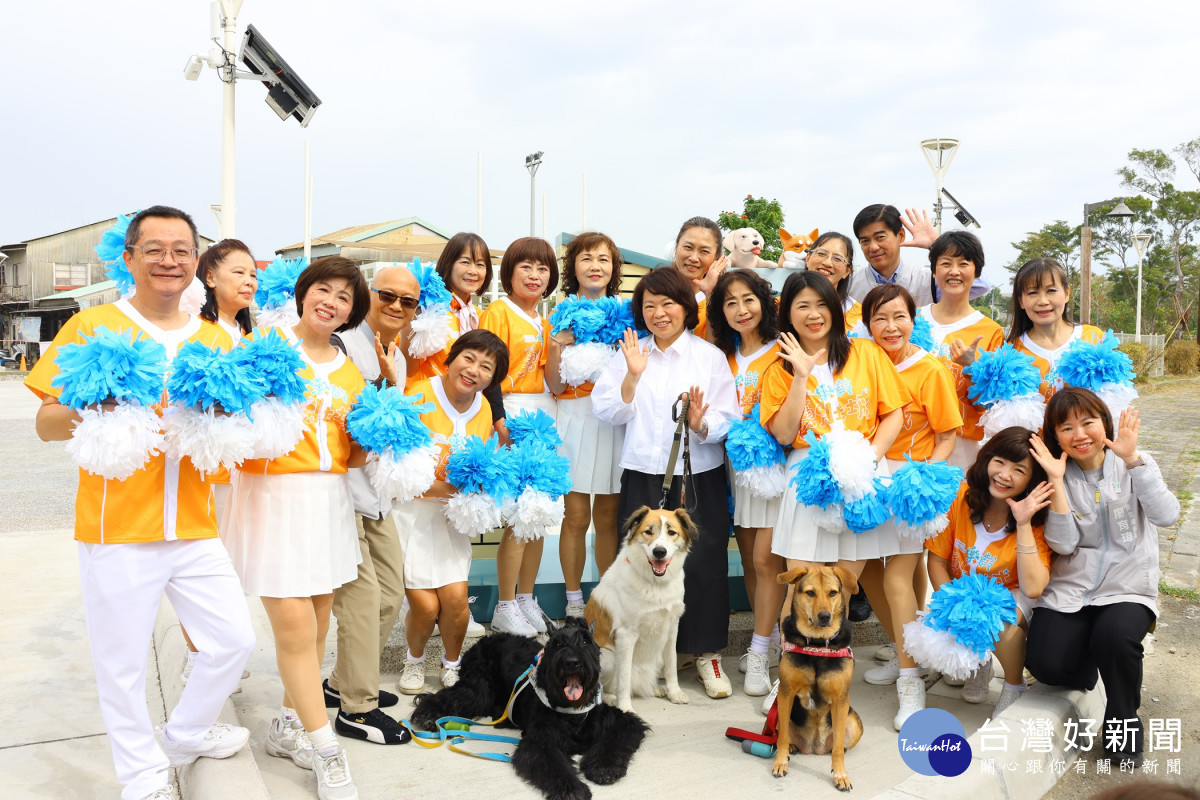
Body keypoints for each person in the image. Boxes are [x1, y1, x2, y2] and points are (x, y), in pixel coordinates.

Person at [26, 205, 255, 800]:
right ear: (128, 258)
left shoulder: (214, 338)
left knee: (233, 640)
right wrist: (98, 410)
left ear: (197, 265)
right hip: (118, 528)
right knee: (121, 666)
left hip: (196, 525)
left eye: (181, 249)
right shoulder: (93, 326)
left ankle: (182, 734)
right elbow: (47, 423)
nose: (168, 260)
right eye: (154, 248)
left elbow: (233, 426)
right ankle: (143, 777)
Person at [222, 256, 371, 800]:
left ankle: (288, 726)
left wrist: (382, 442)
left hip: (328, 502)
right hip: (272, 498)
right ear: (304, 292)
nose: (330, 302)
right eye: (323, 290)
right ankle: (327, 749)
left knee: (319, 622)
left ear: (352, 313)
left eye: (344, 298)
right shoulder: (266, 348)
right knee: (294, 631)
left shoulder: (351, 369)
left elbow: (350, 454)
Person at [759, 270, 908, 716]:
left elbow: (894, 415)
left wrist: (865, 461)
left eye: (822, 304)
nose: (813, 314)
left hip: (860, 477)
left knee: (842, 584)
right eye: (801, 305)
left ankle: (897, 684)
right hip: (808, 481)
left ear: (836, 309)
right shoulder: (777, 367)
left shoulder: (865, 353)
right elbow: (785, 434)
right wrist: (801, 377)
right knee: (801, 587)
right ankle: (789, 680)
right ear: (786, 313)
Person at [592, 267, 741, 698]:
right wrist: (632, 376)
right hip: (643, 473)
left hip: (697, 476)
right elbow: (607, 410)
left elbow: (727, 416)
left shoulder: (708, 356)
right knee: (639, 565)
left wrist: (701, 422)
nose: (659, 313)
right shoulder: (629, 352)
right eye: (650, 305)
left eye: (668, 304)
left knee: (705, 564)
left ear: (686, 308)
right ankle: (652, 657)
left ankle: (707, 655)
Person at [1026, 388, 1179, 762]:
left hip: (1127, 588)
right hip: (1072, 590)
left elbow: (1167, 515)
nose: (1079, 434)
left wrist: (1134, 462)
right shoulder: (1055, 476)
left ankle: (1123, 729)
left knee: (1114, 637)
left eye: (1087, 422)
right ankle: (1096, 659)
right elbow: (1063, 546)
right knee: (1044, 662)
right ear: (1055, 435)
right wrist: (1058, 483)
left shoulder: (1134, 463)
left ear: (1104, 423)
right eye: (1066, 427)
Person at [855, 284, 962, 726]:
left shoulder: (929, 369)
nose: (890, 326)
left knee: (899, 577)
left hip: (910, 485)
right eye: (880, 318)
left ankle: (910, 681)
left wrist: (924, 478)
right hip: (867, 478)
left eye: (899, 316)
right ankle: (912, 654)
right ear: (867, 325)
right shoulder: (863, 360)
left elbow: (948, 433)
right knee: (873, 575)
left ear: (912, 320)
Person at [321, 264, 419, 747]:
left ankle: (341, 683)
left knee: (390, 593)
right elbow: (354, 427)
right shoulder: (341, 345)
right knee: (361, 601)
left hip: (375, 494)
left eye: (409, 301)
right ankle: (356, 708)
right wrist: (381, 384)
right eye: (388, 296)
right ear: (369, 296)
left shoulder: (395, 354)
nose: (397, 306)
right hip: (342, 493)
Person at [395, 330, 508, 695]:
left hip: (450, 521)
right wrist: (450, 489)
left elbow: (483, 469)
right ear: (452, 357)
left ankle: (452, 665)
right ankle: (413, 662)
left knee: (457, 599)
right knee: (426, 607)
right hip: (412, 517)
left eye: (486, 367)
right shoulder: (418, 394)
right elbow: (397, 470)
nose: (474, 370)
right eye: (469, 358)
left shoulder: (485, 410)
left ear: (493, 379)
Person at [925, 427, 1054, 717]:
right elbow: (936, 561)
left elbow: (1033, 588)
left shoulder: (1036, 518)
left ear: (1031, 480)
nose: (1004, 474)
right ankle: (979, 665)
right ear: (986, 460)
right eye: (1000, 462)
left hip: (1012, 591)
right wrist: (951, 606)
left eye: (1018, 469)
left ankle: (1013, 685)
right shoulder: (960, 496)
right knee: (955, 618)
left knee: (997, 626)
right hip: (962, 592)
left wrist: (1022, 523)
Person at [177, 238, 259, 684]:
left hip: (243, 468)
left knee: (229, 565)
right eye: (238, 272)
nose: (249, 281)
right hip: (210, 470)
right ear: (209, 277)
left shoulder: (249, 335)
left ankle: (221, 651)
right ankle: (199, 658)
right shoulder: (196, 331)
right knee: (204, 567)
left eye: (253, 275)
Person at [707, 268, 783, 697]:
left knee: (767, 560)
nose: (740, 309)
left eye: (748, 299)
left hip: (774, 470)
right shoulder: (722, 355)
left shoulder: (782, 350)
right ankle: (766, 636)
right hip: (733, 469)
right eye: (730, 302)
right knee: (752, 557)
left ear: (764, 301)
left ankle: (761, 651)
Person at [479, 237, 559, 637]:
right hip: (511, 414)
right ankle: (505, 604)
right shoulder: (498, 311)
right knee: (516, 517)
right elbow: (488, 368)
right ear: (509, 271)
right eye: (526, 266)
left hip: (542, 418)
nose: (534, 275)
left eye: (543, 268)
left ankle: (527, 598)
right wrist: (498, 420)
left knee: (537, 518)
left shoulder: (545, 321)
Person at [544, 232, 626, 618]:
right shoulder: (558, 314)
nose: (595, 266)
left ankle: (609, 598)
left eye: (604, 259)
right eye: (586, 258)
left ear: (614, 269)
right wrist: (558, 342)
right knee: (575, 516)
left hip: (614, 424)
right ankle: (574, 599)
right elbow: (555, 385)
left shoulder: (627, 315)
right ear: (572, 267)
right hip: (574, 421)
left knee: (609, 517)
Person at [917, 231, 1005, 471]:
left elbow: (990, 405)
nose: (954, 271)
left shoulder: (991, 330)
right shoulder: (914, 320)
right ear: (934, 271)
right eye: (945, 264)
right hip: (912, 440)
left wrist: (971, 368)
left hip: (962, 449)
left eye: (963, 264)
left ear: (976, 272)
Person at [1008, 258, 1105, 401]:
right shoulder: (1012, 351)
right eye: (1032, 293)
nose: (1043, 301)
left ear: (1066, 293)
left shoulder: (1093, 338)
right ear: (1021, 300)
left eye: (1051, 291)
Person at [669, 216, 728, 339]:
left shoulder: (727, 300)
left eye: (704, 251)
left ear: (717, 257)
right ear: (676, 247)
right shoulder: (656, 291)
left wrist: (710, 293)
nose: (694, 258)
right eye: (688, 247)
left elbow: (718, 352)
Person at [804, 231, 862, 329]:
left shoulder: (860, 316)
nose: (827, 263)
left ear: (847, 271)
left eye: (838, 259)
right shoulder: (779, 307)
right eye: (821, 253)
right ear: (808, 258)